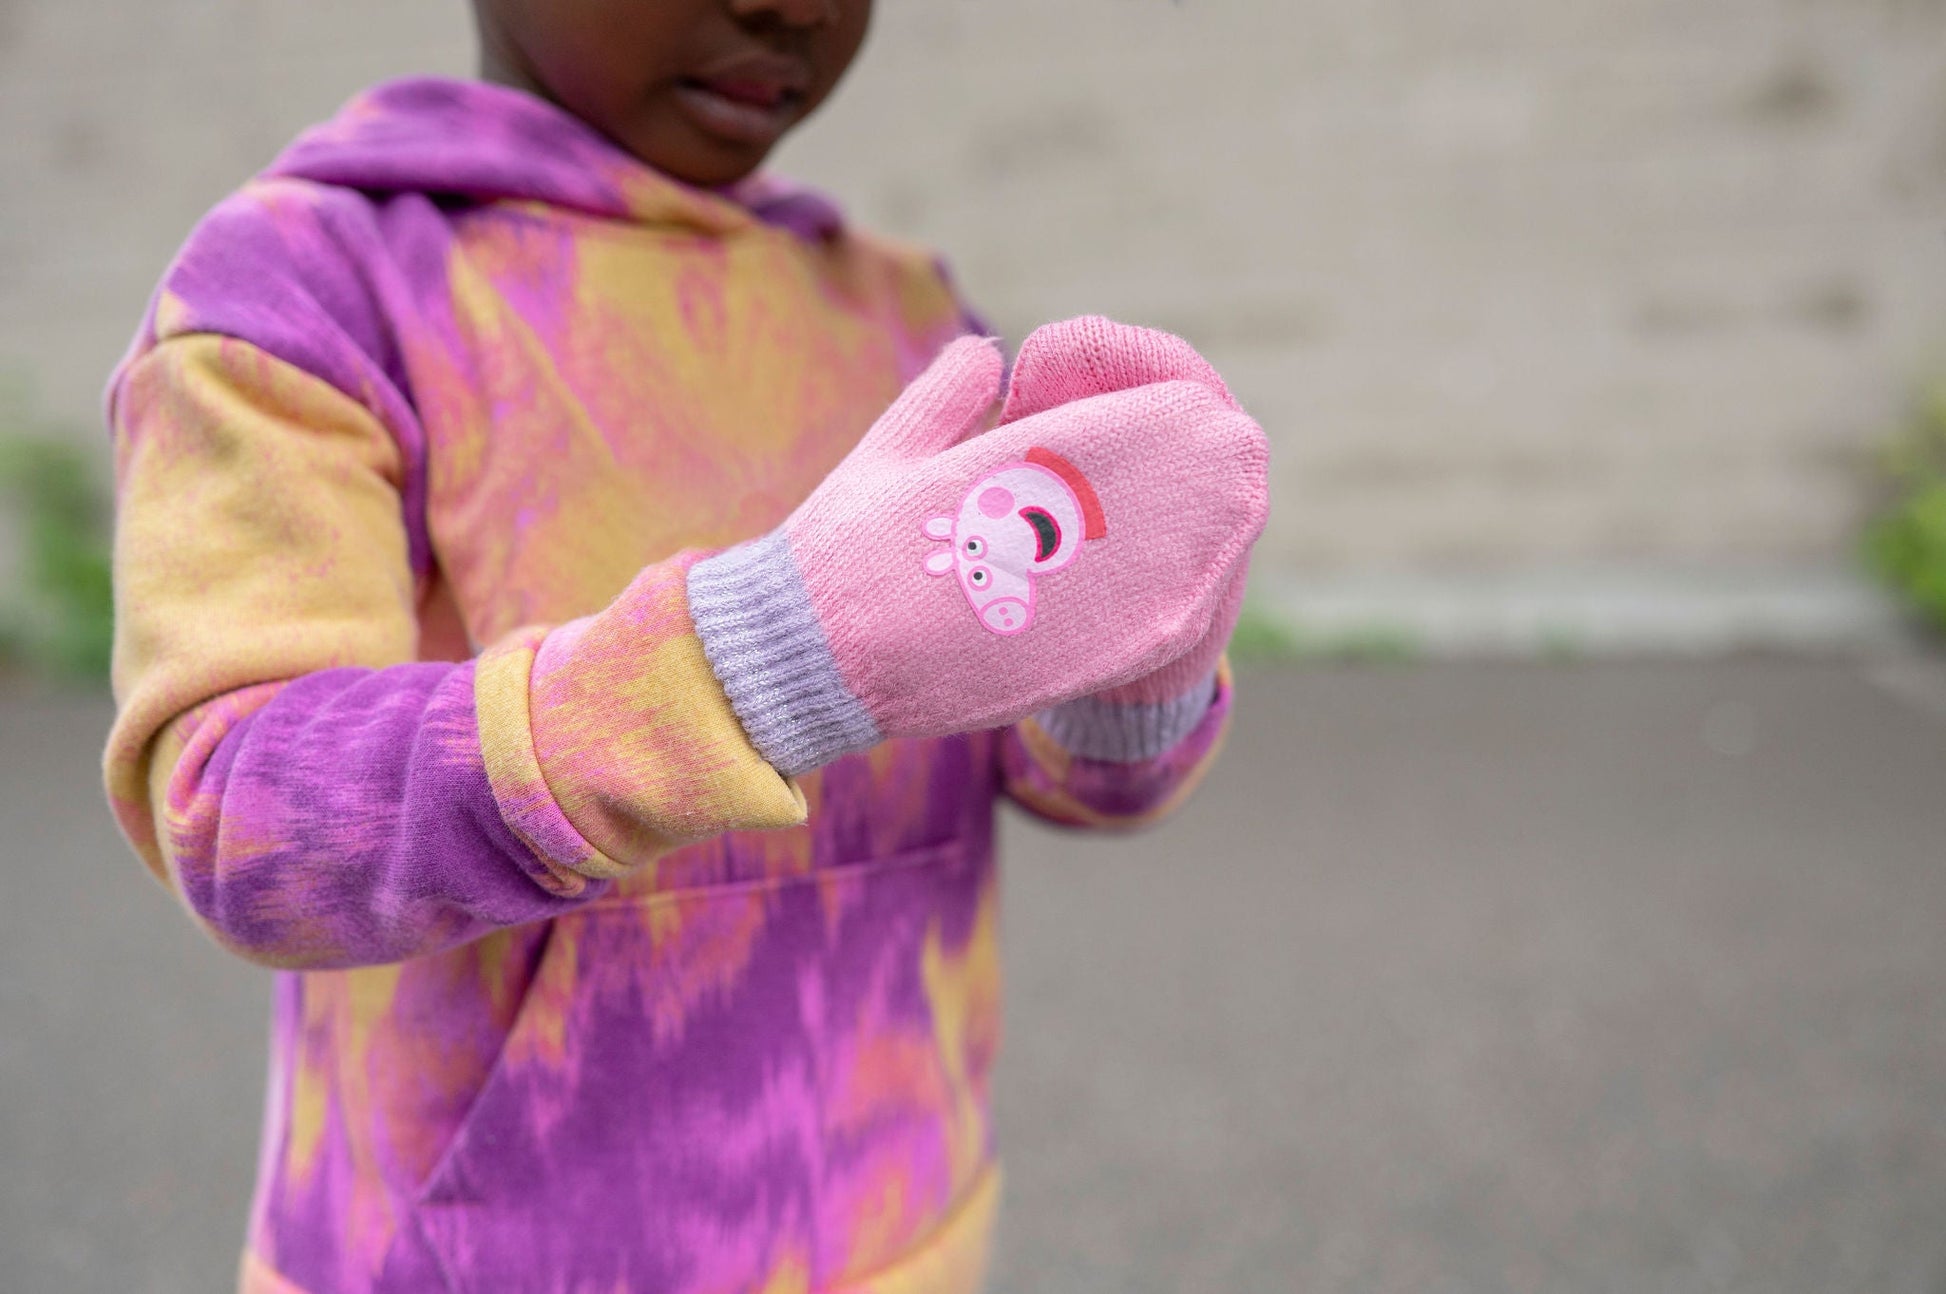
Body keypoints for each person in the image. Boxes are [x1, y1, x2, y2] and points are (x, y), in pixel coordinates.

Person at [101, 1, 1268, 1290]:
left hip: (904, 1227)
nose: (798, 8)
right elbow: (241, 815)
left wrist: (1138, 672)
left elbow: (1068, 786)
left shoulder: (904, 311)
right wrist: (754, 663)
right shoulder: (308, 285)